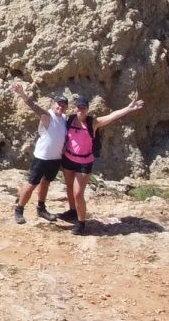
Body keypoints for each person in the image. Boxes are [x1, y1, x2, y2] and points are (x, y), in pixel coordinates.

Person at [56, 93, 146, 235]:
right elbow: (53, 117)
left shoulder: (93, 122)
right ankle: (72, 211)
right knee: (69, 187)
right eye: (79, 107)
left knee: (78, 193)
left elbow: (112, 116)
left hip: (84, 162)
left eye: (84, 108)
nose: (81, 110)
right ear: (75, 108)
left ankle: (81, 223)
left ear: (88, 109)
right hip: (68, 159)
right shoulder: (69, 120)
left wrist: (128, 109)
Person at [6, 79, 70, 225]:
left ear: (66, 108)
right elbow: (34, 106)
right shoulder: (48, 115)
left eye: (63, 105)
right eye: (58, 104)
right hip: (42, 158)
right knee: (32, 183)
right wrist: (22, 94)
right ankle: (19, 209)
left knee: (46, 182)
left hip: (55, 159)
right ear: (54, 104)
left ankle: (41, 208)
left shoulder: (65, 119)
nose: (60, 107)